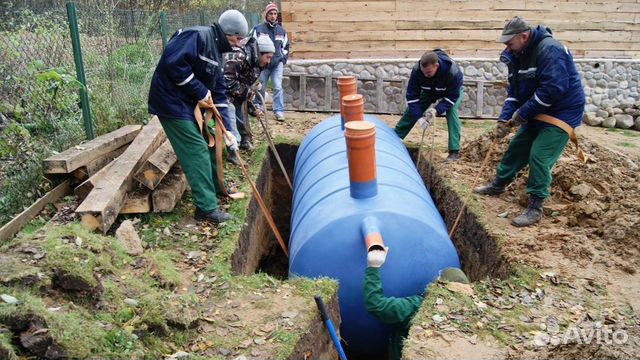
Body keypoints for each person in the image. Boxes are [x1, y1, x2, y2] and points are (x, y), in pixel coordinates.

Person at [474, 16, 585, 227]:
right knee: (517, 148)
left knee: (539, 156)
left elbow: (553, 90)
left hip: (561, 112)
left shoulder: (550, 50)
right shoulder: (517, 55)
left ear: (524, 36)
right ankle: (499, 185)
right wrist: (504, 119)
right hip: (536, 108)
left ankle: (535, 206)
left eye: (509, 42)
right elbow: (514, 93)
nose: (507, 47)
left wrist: (521, 114)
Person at [148, 9, 249, 224]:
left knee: (215, 144)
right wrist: (200, 90)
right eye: (238, 38)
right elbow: (172, 64)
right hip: (171, 103)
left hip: (187, 104)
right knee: (197, 150)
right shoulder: (196, 36)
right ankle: (206, 209)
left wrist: (228, 131)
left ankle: (216, 187)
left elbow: (219, 95)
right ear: (227, 32)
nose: (240, 43)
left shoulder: (218, 53)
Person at [364, 246, 469, 360]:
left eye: (438, 277)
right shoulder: (468, 314)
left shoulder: (417, 307)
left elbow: (376, 305)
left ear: (439, 286)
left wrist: (373, 268)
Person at [394, 49, 464, 161]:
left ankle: (454, 151)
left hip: (451, 93)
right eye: (423, 72)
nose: (425, 75)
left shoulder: (452, 72)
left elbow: (452, 98)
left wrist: (436, 110)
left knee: (451, 112)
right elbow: (412, 97)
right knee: (413, 109)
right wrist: (419, 118)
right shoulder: (417, 71)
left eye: (428, 73)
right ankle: (396, 136)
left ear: (436, 65)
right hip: (429, 91)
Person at [224, 35, 275, 159]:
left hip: (236, 92)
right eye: (267, 57)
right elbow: (227, 80)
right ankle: (233, 151)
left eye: (270, 58)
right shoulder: (238, 57)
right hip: (222, 92)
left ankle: (244, 140)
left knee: (242, 111)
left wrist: (254, 109)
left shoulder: (257, 65)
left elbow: (248, 87)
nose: (269, 61)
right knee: (230, 116)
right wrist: (246, 93)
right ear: (259, 53)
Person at [251, 2, 290, 122]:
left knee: (278, 87)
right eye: (271, 14)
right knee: (261, 87)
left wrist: (282, 59)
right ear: (266, 15)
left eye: (275, 14)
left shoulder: (281, 31)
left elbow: (286, 47)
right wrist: (256, 61)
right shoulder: (258, 29)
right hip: (263, 65)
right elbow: (252, 45)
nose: (273, 16)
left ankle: (279, 111)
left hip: (277, 63)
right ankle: (259, 108)